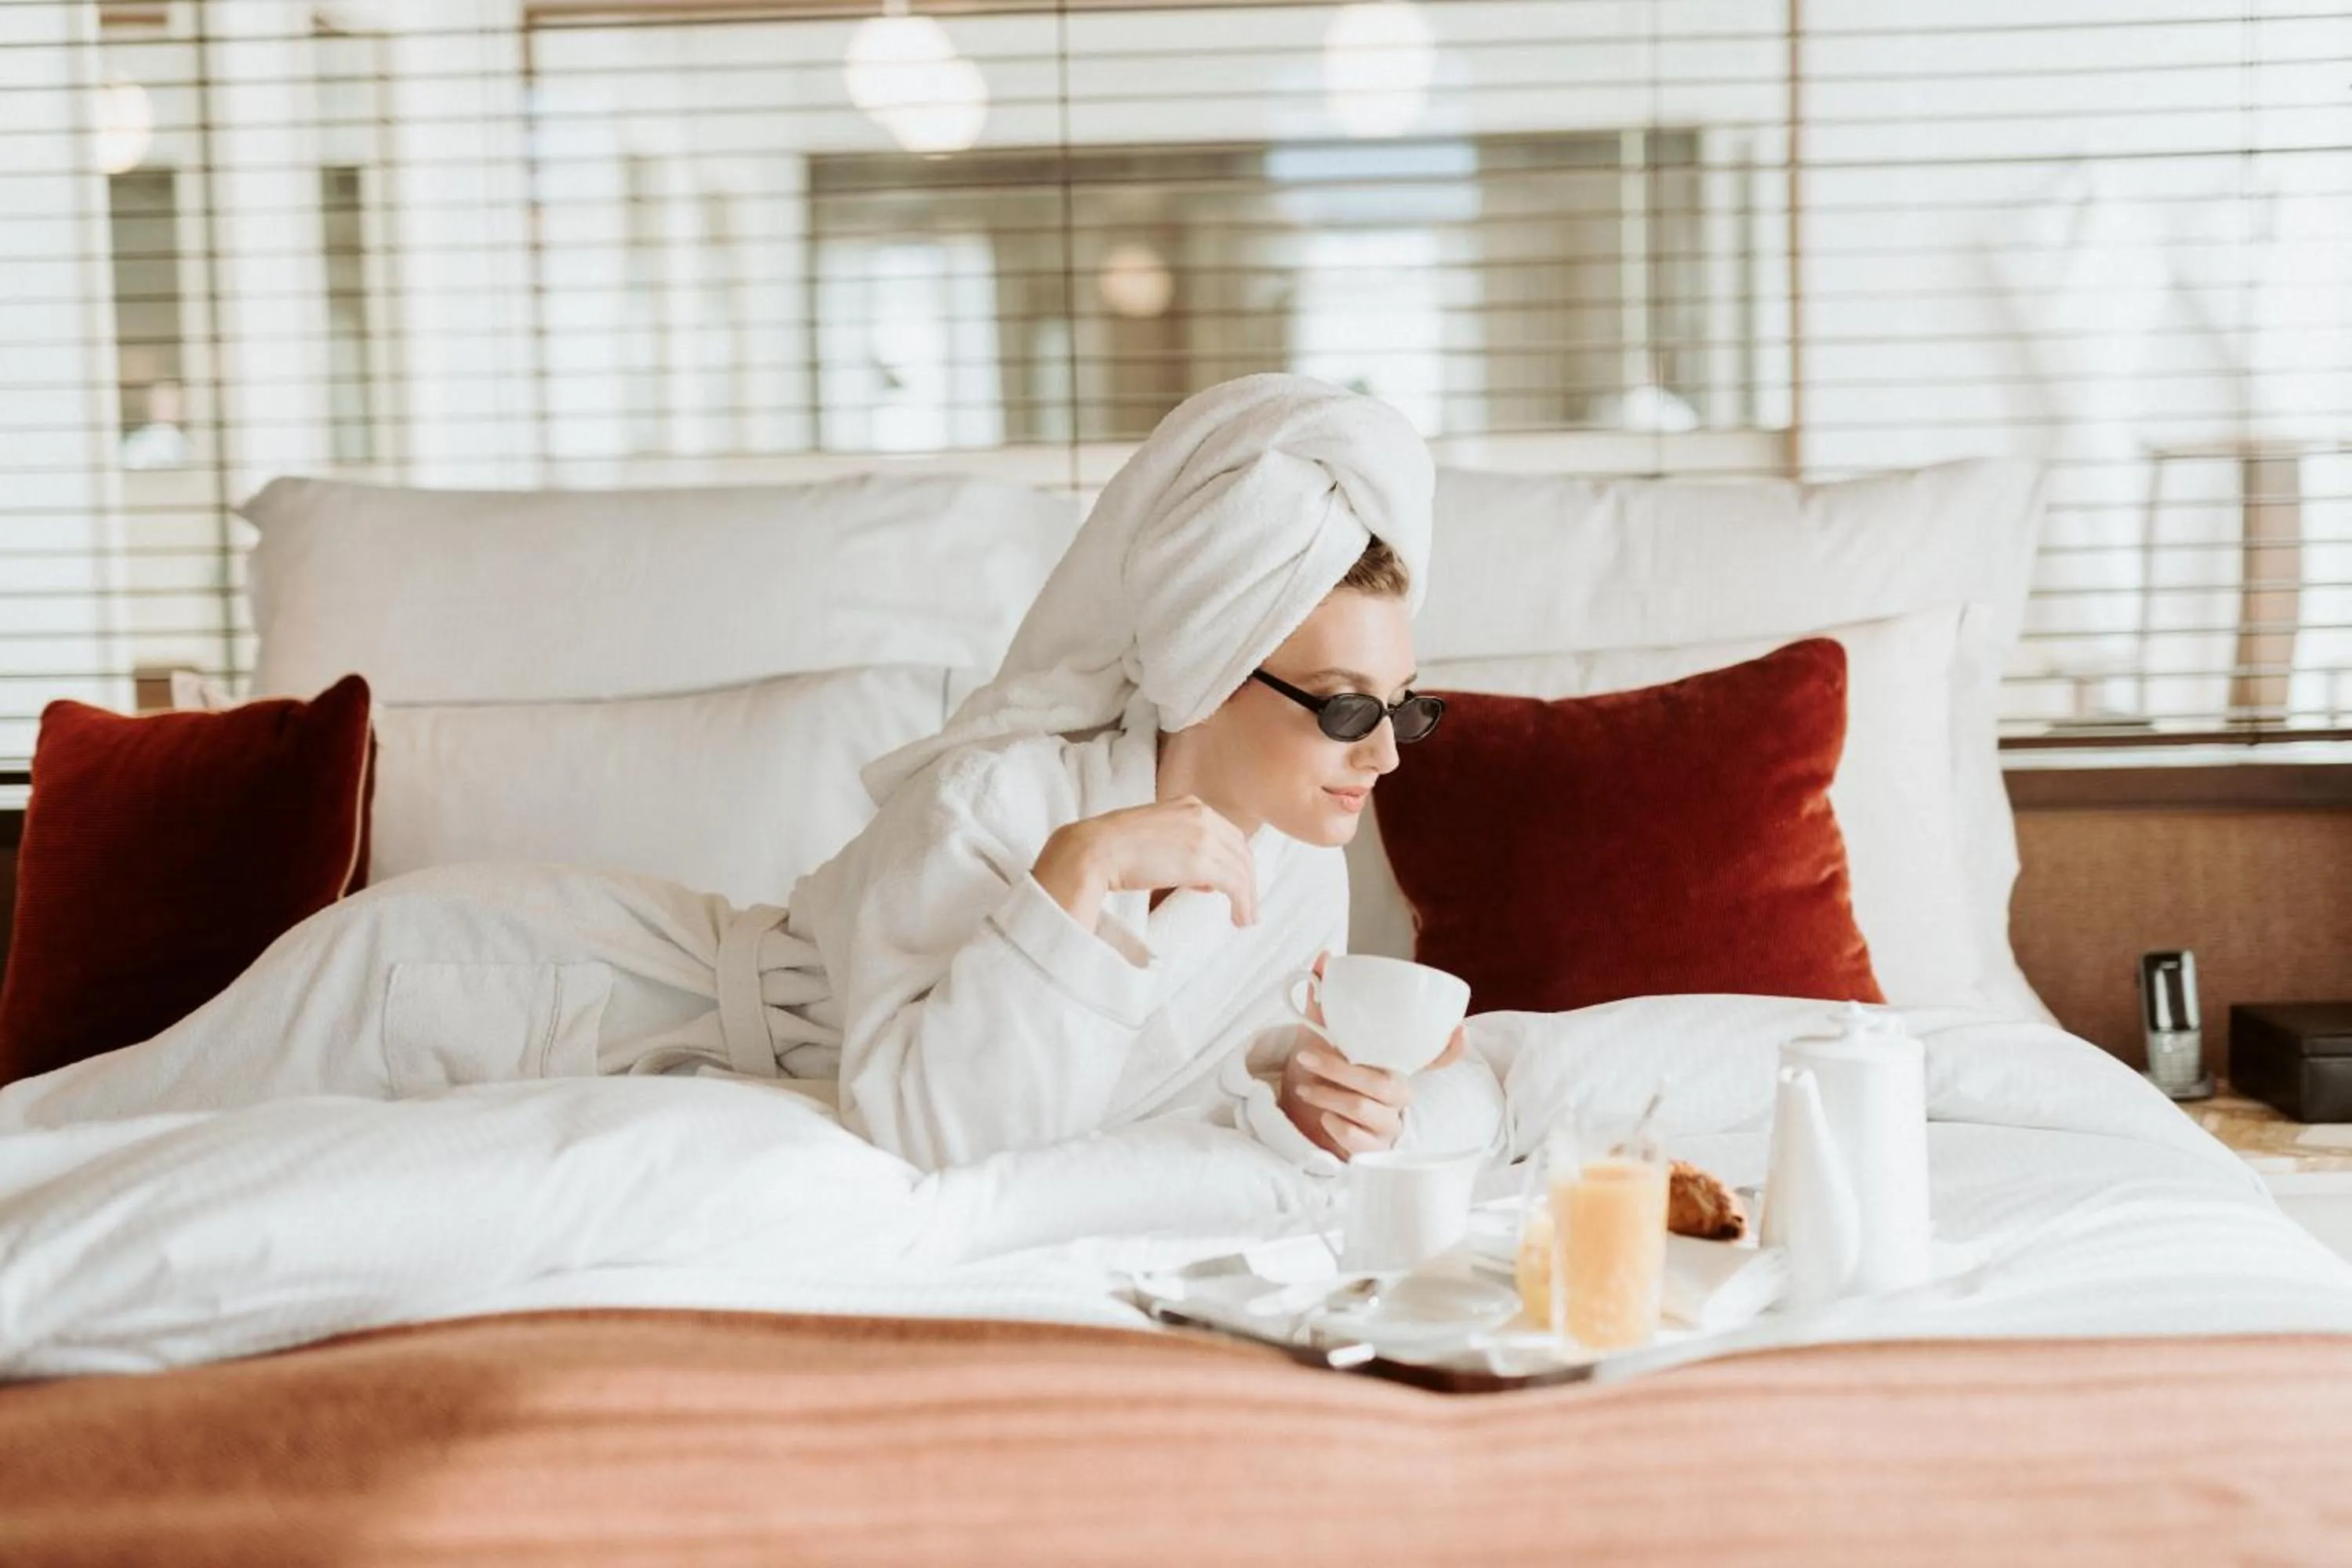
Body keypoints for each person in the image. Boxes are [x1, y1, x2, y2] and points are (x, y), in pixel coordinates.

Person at [0, 375, 1503, 1173]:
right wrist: (1079, 875)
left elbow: (1127, 1060)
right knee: (81, 1135)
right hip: (495, 981)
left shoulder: (1301, 867)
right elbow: (926, 1114)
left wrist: (1288, 1086)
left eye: (1404, 711)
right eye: (1342, 708)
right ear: (1201, 666)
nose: (1382, 753)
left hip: (590, 1042)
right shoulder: (1004, 806)